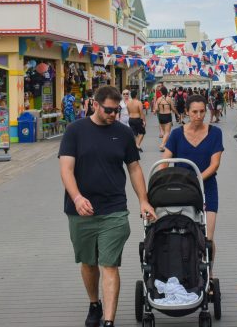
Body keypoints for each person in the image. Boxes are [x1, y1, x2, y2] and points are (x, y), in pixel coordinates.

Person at [58, 86, 156, 327]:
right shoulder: (75, 131)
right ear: (95, 104)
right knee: (89, 263)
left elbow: (134, 168)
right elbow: (66, 169)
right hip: (81, 211)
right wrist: (77, 197)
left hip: (114, 209)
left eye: (116, 110)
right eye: (108, 110)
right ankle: (94, 304)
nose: (113, 114)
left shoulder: (123, 133)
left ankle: (109, 321)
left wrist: (143, 200)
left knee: (109, 264)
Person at [162, 95, 224, 257]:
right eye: (194, 111)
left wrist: (196, 180)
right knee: (183, 232)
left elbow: (215, 164)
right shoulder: (176, 134)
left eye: (202, 111)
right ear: (187, 112)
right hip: (181, 189)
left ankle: (209, 271)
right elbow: (165, 161)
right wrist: (161, 182)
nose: (199, 115)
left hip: (207, 187)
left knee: (208, 237)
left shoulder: (215, 133)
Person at [154, 86, 176, 152]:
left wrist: (155, 111)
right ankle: (162, 145)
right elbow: (173, 108)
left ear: (161, 92)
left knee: (164, 132)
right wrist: (177, 114)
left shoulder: (159, 99)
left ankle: (166, 145)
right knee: (167, 133)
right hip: (167, 116)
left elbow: (156, 109)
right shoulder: (169, 99)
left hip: (161, 116)